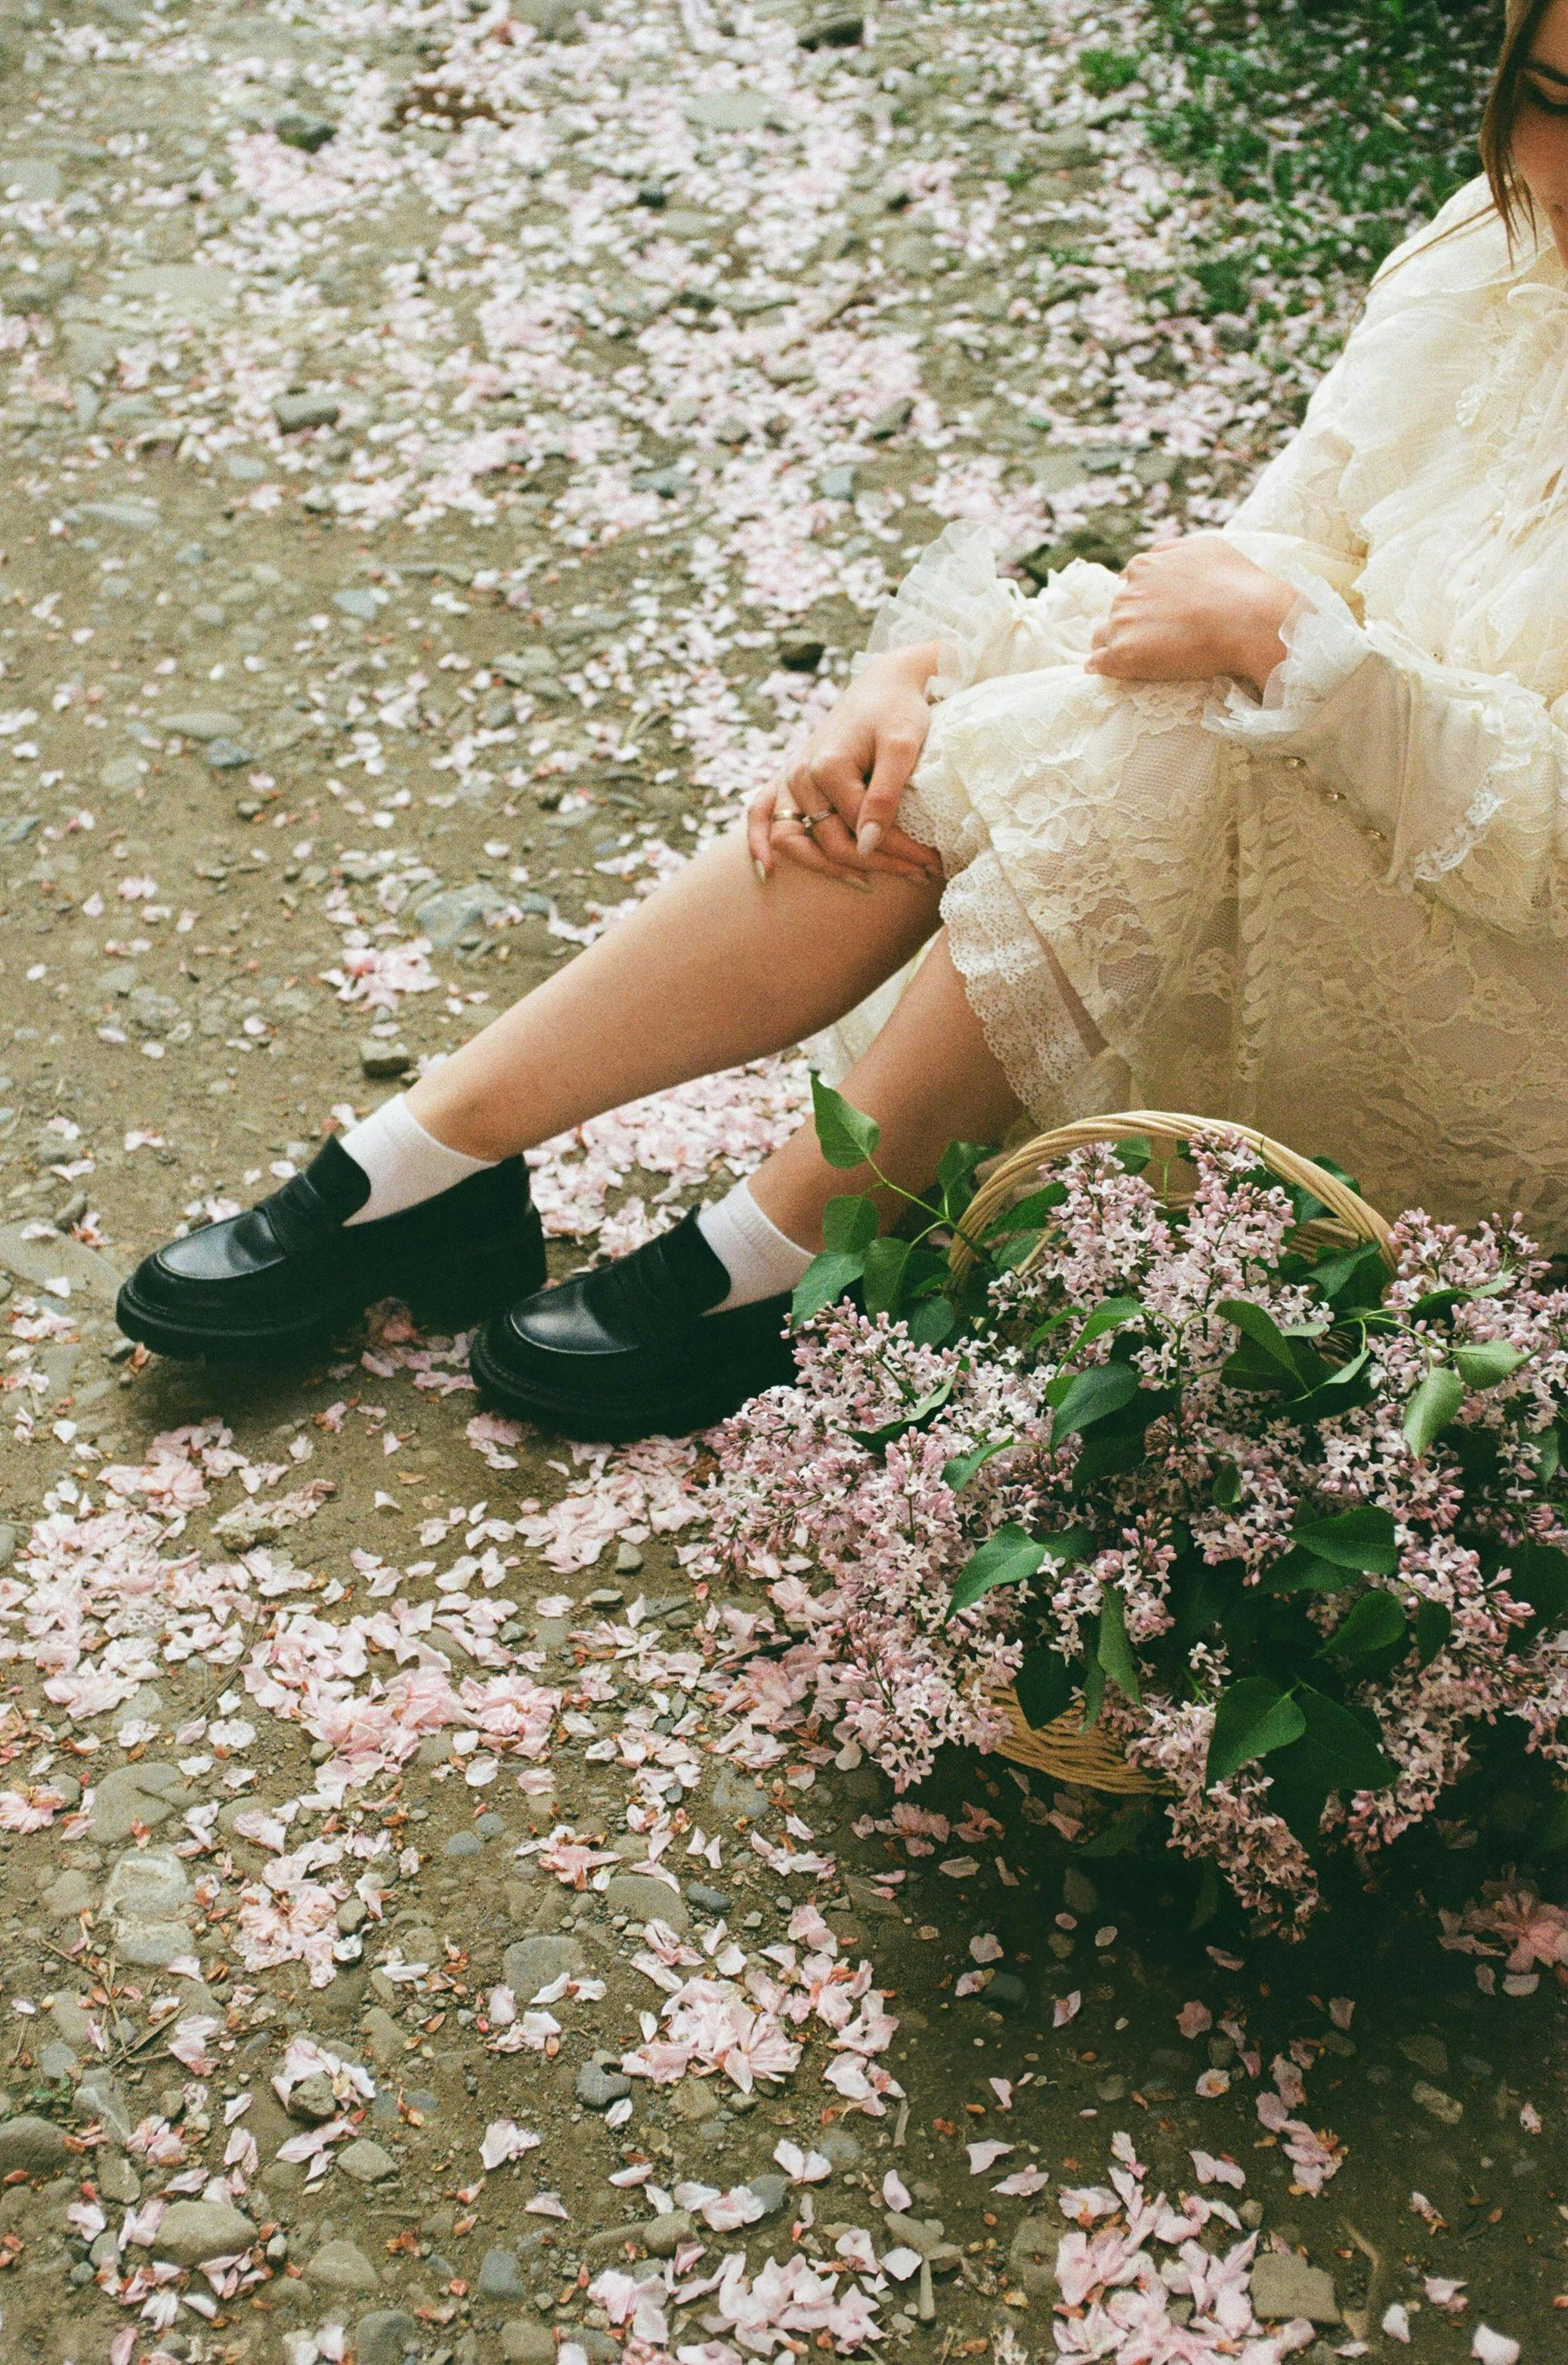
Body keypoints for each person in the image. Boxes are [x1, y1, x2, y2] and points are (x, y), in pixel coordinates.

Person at [118, 0, 1568, 1442]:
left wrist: (1287, 653)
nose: (1562, 170)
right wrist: (946, 685)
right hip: (1348, 822)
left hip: (1515, 991)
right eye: (1550, 96)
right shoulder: (1485, 248)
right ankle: (431, 1167)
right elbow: (1279, 553)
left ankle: (787, 1255)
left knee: (1188, 722)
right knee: (1018, 714)